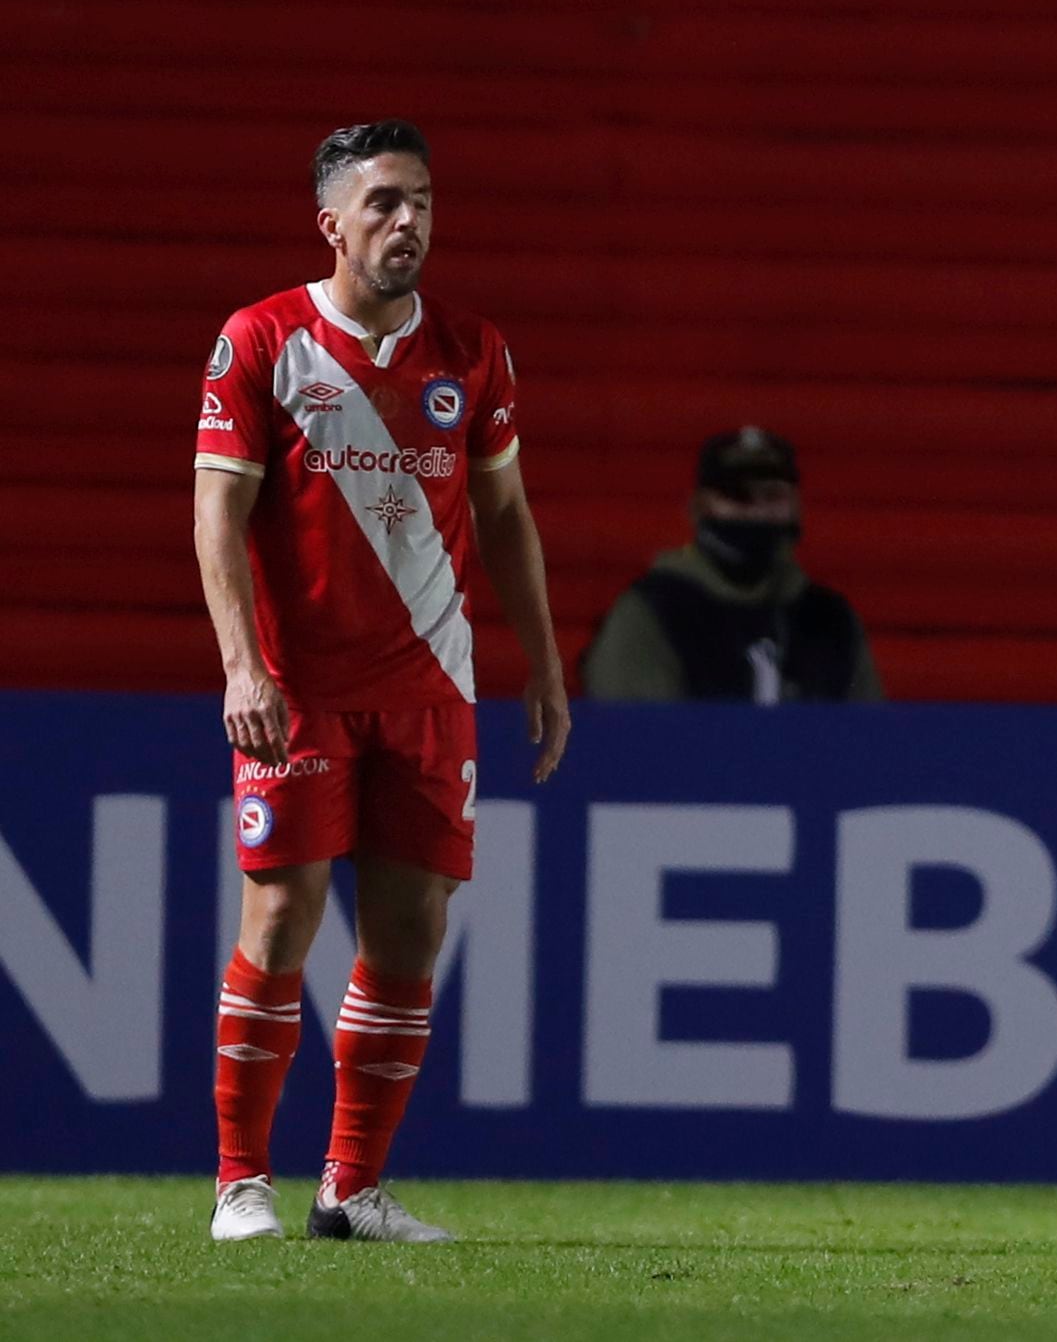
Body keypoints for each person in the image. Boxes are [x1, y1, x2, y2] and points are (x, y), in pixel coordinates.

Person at [194, 120, 571, 1244]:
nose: (409, 223)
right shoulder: (263, 341)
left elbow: (505, 514)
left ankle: (349, 1188)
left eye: (422, 204)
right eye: (385, 204)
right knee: (281, 912)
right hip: (299, 684)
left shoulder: (473, 352)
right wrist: (241, 666)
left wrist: (544, 662)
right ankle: (239, 1182)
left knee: (411, 929)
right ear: (332, 223)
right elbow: (217, 511)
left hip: (430, 687)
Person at [581, 426, 881, 703]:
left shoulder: (831, 621)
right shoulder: (651, 612)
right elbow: (637, 743)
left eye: (772, 495)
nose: (756, 512)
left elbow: (869, 742)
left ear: (795, 507)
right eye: (737, 496)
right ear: (699, 506)